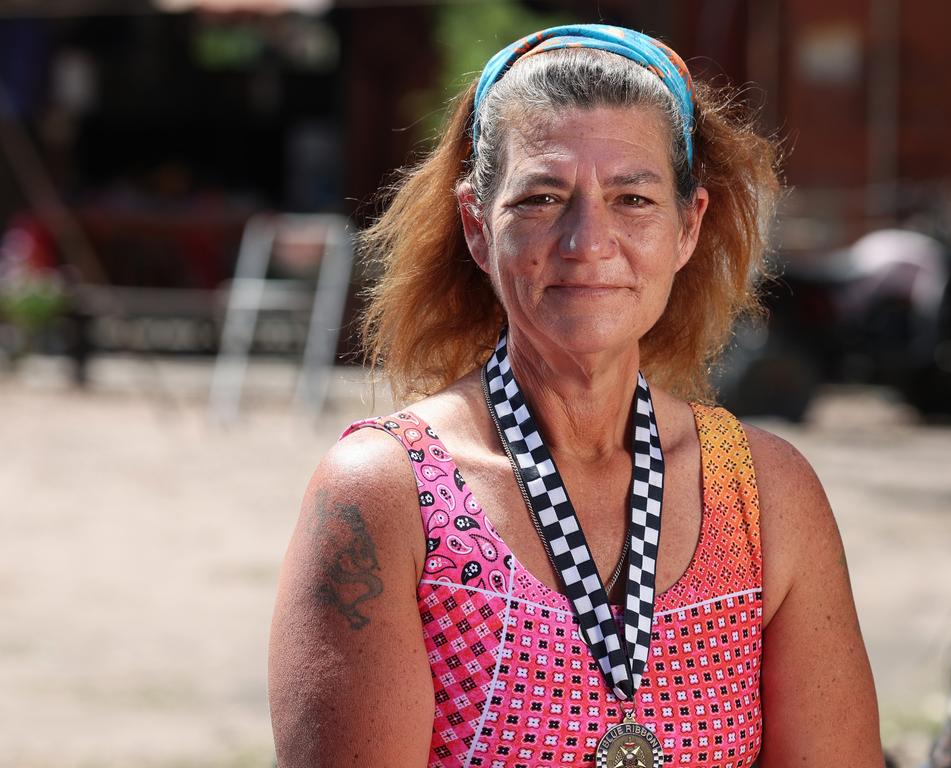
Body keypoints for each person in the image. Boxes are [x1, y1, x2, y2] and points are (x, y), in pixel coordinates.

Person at [268, 23, 884, 768]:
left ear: (689, 226)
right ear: (475, 225)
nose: (587, 241)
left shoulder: (768, 498)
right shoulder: (388, 496)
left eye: (632, 198)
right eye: (542, 198)